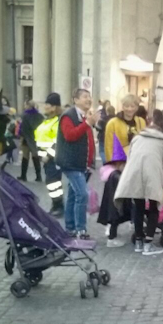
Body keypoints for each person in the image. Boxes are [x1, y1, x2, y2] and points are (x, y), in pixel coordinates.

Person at [114, 109, 163, 255]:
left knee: (138, 206)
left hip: (134, 173)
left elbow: (130, 156)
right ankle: (148, 244)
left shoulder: (137, 138)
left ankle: (138, 240)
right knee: (154, 207)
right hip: (152, 173)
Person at [57, 88, 98, 239]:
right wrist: (87, 123)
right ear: (76, 100)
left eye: (89, 96)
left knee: (73, 195)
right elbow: (70, 136)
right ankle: (80, 229)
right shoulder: (68, 116)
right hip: (71, 163)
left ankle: (70, 228)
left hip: (81, 164)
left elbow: (88, 140)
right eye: (85, 97)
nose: (88, 99)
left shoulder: (84, 116)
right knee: (82, 194)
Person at [35, 93, 65, 217]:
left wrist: (48, 155)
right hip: (46, 158)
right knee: (51, 182)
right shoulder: (47, 120)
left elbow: (58, 142)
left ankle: (59, 206)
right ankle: (55, 204)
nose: (45, 106)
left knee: (53, 182)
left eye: (47, 104)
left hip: (52, 158)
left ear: (54, 107)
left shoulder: (57, 121)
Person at [104, 94, 147, 162]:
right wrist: (112, 164)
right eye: (126, 106)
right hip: (120, 161)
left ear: (137, 107)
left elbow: (144, 142)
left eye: (132, 106)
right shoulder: (112, 123)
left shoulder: (141, 122)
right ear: (122, 106)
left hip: (137, 160)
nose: (129, 109)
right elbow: (108, 147)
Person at [18, 100, 44, 182]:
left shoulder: (24, 116)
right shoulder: (40, 116)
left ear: (28, 106)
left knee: (25, 157)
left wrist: (21, 134)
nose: (24, 107)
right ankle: (38, 176)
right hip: (36, 138)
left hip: (26, 139)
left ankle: (23, 176)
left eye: (25, 105)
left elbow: (22, 128)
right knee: (35, 156)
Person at [95, 100, 115, 165]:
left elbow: (98, 128)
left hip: (103, 137)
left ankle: (105, 161)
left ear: (107, 111)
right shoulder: (117, 119)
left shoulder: (103, 119)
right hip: (113, 137)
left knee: (102, 151)